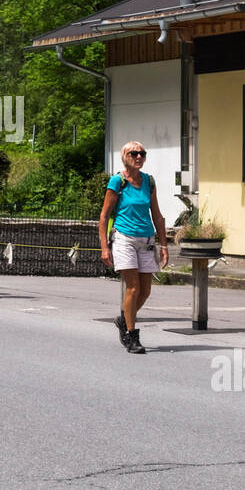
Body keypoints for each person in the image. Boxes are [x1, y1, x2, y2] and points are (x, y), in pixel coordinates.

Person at [99, 141, 169, 354]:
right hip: (124, 239)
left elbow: (156, 214)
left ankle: (123, 319)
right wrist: (104, 247)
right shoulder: (117, 181)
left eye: (142, 153)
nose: (139, 157)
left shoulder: (149, 181)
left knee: (145, 291)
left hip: (146, 240)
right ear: (124, 157)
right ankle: (131, 335)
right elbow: (104, 216)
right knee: (133, 287)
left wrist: (164, 245)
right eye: (134, 153)